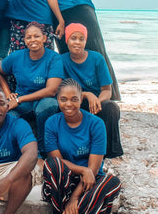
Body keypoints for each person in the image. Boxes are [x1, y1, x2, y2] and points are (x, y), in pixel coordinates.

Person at [51, 0, 120, 100]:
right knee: (66, 53)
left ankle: (108, 94)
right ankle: (73, 94)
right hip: (59, 16)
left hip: (80, 11)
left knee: (95, 51)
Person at [42, 78, 121, 214]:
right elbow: (57, 161)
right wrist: (83, 170)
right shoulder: (51, 123)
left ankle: (68, 208)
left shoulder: (96, 124)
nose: (68, 104)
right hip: (63, 181)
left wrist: (74, 198)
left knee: (113, 182)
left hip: (89, 181)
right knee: (52, 164)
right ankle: (76, 207)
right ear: (58, 99)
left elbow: (93, 169)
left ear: (80, 100)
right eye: (63, 99)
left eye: (74, 99)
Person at [0, 22, 63, 159]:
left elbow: (51, 90)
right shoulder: (17, 56)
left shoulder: (54, 58)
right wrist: (8, 95)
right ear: (24, 40)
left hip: (43, 100)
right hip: (23, 102)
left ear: (44, 38)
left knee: (49, 106)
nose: (33, 40)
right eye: (29, 37)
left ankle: (43, 151)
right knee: (9, 117)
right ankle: (16, 152)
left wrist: (19, 99)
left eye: (36, 36)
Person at [61, 23, 123, 158]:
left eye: (81, 39)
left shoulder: (97, 59)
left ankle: (108, 151)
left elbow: (107, 90)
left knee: (112, 107)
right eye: (73, 38)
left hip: (95, 102)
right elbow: (59, 91)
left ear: (85, 41)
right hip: (73, 102)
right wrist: (87, 94)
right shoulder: (61, 60)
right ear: (67, 40)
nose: (77, 42)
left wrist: (97, 102)